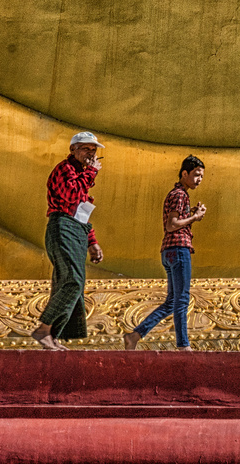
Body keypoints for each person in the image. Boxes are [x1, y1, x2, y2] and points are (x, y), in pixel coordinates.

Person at [124, 155, 207, 352]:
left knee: (172, 301)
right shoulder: (180, 195)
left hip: (169, 251)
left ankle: (134, 336)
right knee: (181, 300)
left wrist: (190, 214)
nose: (199, 180)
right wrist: (194, 217)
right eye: (196, 175)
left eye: (201, 177)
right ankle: (183, 345)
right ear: (184, 173)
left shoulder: (177, 194)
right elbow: (172, 225)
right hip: (178, 249)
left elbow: (175, 219)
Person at [32, 132, 105, 351]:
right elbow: (71, 196)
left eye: (93, 150)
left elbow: (81, 212)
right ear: (73, 149)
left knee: (70, 283)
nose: (90, 154)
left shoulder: (82, 176)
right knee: (72, 279)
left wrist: (92, 241)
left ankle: (52, 335)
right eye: (85, 149)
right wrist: (91, 172)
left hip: (77, 231)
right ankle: (43, 329)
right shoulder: (64, 169)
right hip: (62, 228)